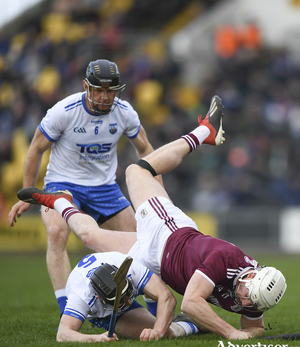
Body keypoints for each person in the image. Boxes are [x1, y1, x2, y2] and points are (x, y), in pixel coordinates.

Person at [16, 95, 287, 340]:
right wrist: (230, 332)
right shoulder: (228, 259)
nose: (245, 303)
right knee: (136, 171)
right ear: (250, 275)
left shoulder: (256, 294)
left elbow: (254, 326)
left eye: (251, 303)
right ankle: (204, 131)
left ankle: (60, 203)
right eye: (248, 298)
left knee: (90, 237)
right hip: (167, 233)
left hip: (155, 261)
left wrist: (252, 333)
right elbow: (191, 303)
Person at [8, 59, 162, 316]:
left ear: (117, 90)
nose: (104, 97)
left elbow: (147, 150)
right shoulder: (64, 111)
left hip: (105, 188)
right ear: (85, 87)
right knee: (57, 233)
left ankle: (157, 309)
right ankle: (67, 309)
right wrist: (27, 193)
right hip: (62, 185)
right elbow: (35, 148)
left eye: (109, 91)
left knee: (143, 242)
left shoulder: (124, 112)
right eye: (98, 90)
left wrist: (158, 195)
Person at [56, 251, 199, 342]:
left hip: (132, 281)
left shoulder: (129, 267)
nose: (129, 302)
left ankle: (155, 307)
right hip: (106, 313)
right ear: (100, 299)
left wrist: (157, 331)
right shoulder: (82, 295)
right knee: (170, 333)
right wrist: (97, 338)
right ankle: (188, 324)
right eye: (122, 301)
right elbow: (63, 334)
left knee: (160, 330)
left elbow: (165, 296)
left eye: (128, 297)